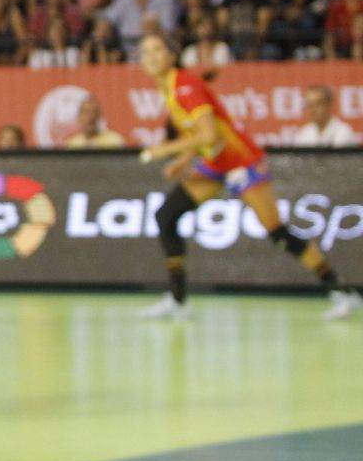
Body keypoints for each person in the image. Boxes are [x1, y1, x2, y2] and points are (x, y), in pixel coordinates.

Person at [135, 34, 361, 321]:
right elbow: (201, 133)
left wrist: (163, 149)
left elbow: (209, 134)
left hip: (242, 162)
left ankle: (341, 291)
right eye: (145, 52)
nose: (151, 56)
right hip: (216, 164)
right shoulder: (169, 87)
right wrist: (184, 159)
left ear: (171, 56)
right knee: (167, 215)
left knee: (276, 230)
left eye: (157, 49)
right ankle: (178, 300)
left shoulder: (184, 85)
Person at [292, 84, 357, 147]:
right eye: (309, 105)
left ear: (329, 105)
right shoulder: (304, 133)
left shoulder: (343, 131)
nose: (312, 110)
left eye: (317, 104)